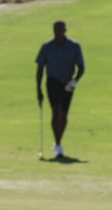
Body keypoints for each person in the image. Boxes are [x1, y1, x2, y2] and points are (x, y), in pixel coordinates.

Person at [35, 19, 84, 159]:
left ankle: (58, 141)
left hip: (68, 84)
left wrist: (75, 80)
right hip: (52, 82)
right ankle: (57, 144)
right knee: (56, 111)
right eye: (55, 30)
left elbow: (81, 67)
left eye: (60, 30)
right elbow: (40, 68)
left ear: (65, 30)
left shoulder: (74, 46)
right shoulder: (47, 46)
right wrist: (38, 89)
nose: (58, 33)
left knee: (64, 115)